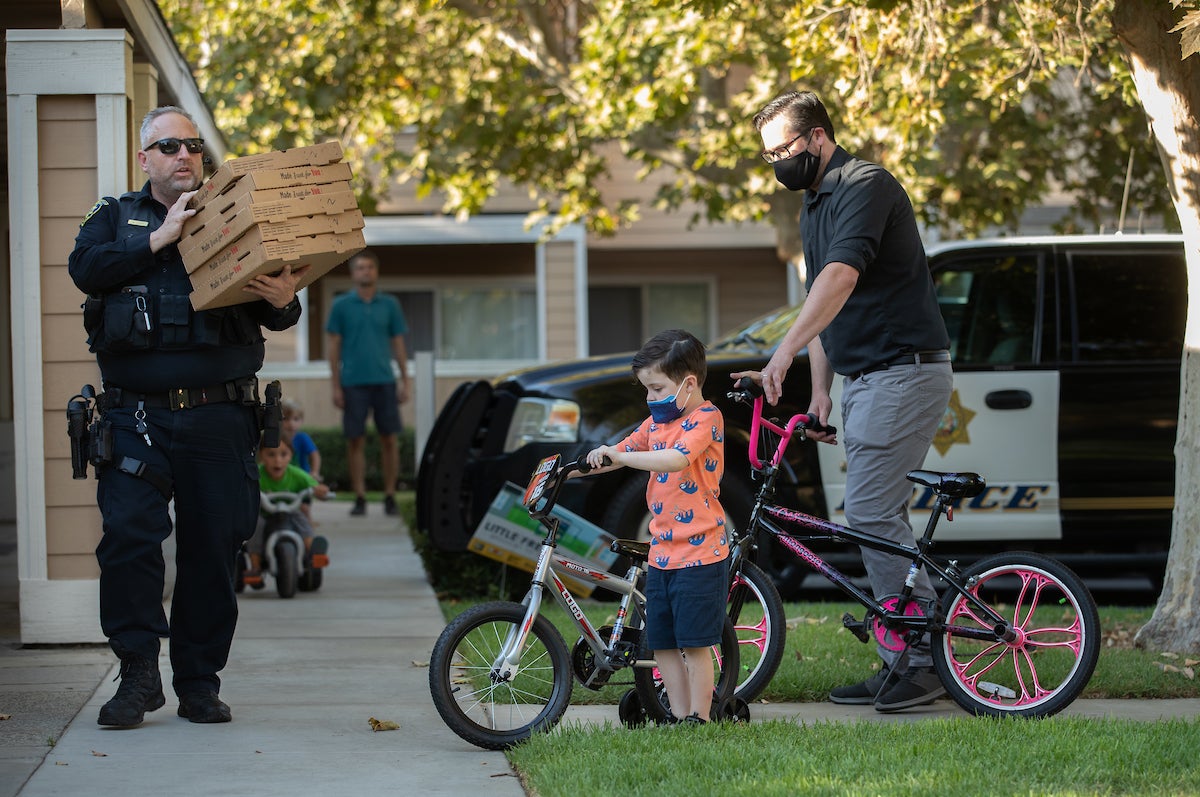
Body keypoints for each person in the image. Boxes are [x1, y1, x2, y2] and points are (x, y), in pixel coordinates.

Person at [68, 106, 306, 726]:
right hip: (134, 419)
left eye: (192, 146)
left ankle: (198, 680)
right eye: (168, 146)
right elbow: (84, 270)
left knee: (214, 549)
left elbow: (277, 311)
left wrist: (287, 304)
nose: (183, 155)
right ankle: (139, 676)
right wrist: (158, 239)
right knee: (129, 542)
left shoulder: (235, 216)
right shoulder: (115, 218)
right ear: (144, 158)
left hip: (219, 418)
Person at [746, 90, 953, 712]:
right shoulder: (815, 205)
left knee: (868, 512)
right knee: (876, 516)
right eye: (767, 156)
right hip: (864, 378)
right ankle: (915, 652)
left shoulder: (866, 185)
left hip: (904, 371)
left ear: (816, 137)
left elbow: (840, 281)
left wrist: (780, 353)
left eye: (782, 148)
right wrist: (819, 393)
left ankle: (917, 658)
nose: (777, 162)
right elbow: (823, 308)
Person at [584, 330, 729, 724]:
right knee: (662, 643)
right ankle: (678, 716)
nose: (650, 398)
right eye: (646, 390)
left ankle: (700, 718)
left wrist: (627, 459)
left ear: (688, 384)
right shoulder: (655, 423)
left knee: (693, 644)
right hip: (663, 554)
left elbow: (676, 460)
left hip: (701, 554)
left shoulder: (706, 418)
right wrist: (601, 458)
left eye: (656, 388)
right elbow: (625, 452)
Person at [325, 249, 409, 517]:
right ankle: (360, 496)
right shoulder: (341, 306)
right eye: (360, 268)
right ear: (353, 273)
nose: (365, 272)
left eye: (370, 267)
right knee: (355, 441)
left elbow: (398, 343)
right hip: (352, 383)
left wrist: (405, 381)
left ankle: (390, 495)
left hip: (384, 380)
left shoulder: (390, 304)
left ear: (376, 271)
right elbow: (333, 347)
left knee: (389, 440)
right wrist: (335, 385)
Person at [244, 437, 330, 587]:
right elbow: (242, 485)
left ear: (291, 456)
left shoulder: (296, 474)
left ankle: (313, 552)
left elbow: (313, 485)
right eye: (271, 455)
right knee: (255, 526)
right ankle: (255, 566)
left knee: (302, 520)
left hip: (290, 513)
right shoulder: (256, 474)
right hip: (265, 514)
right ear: (261, 456)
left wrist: (319, 490)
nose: (278, 460)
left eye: (283, 454)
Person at [281, 399, 322, 482]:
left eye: (295, 419)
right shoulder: (277, 439)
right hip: (282, 478)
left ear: (302, 420)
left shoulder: (303, 438)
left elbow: (315, 455)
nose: (291, 423)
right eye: (286, 419)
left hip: (303, 477)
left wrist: (314, 472)